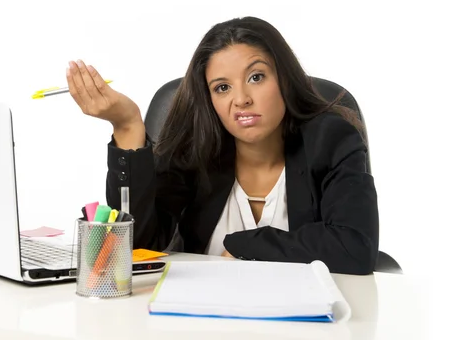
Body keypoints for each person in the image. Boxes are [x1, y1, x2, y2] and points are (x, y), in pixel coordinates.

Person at [66, 16, 379, 275]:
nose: (241, 99)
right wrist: (128, 126)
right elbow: (136, 243)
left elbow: (355, 247)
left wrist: (247, 244)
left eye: (256, 77)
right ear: (210, 99)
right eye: (222, 87)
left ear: (284, 79)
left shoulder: (332, 139)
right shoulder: (195, 147)